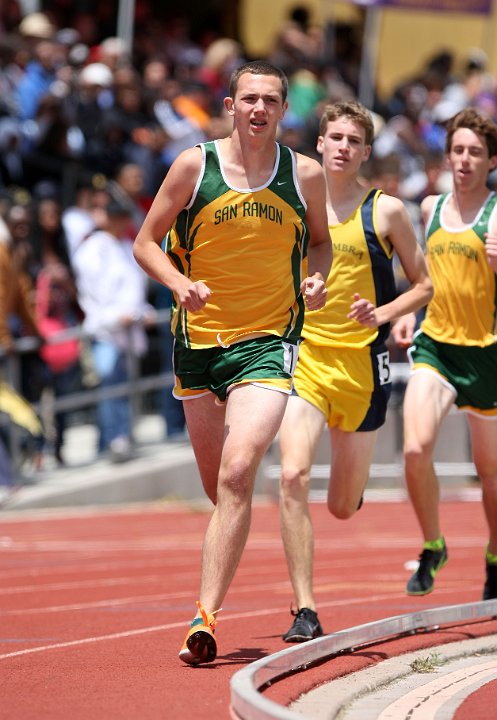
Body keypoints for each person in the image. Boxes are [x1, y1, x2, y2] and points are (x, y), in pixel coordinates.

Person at [133, 60, 332, 665]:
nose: (259, 110)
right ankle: (226, 570)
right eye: (250, 99)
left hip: (269, 340)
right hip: (198, 343)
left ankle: (204, 617)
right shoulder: (195, 166)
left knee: (240, 471)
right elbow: (145, 242)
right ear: (229, 105)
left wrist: (315, 279)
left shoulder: (305, 175)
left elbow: (320, 241)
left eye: (271, 100)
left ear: (283, 109)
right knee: (221, 489)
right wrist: (177, 283)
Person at [278, 101, 433, 642]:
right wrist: (301, 290)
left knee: (342, 507)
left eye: (353, 140)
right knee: (292, 475)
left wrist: (386, 314)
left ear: (365, 151)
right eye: (334, 137)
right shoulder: (295, 207)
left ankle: (354, 489)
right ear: (318, 144)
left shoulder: (385, 210)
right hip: (308, 360)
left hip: (364, 367)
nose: (342, 146)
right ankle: (305, 609)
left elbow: (423, 284)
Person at [400, 108, 497, 600]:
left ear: (491, 160)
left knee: (491, 475)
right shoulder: (430, 207)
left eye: (474, 152)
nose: (464, 159)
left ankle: (496, 555)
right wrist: (403, 312)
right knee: (415, 449)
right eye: (457, 150)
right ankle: (433, 544)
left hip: (487, 355)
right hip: (436, 345)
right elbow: (423, 273)